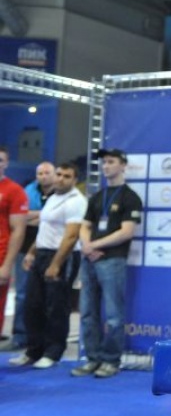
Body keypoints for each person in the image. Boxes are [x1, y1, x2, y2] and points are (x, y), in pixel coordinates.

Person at [71, 149, 143, 379]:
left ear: (123, 165)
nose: (106, 166)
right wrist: (86, 245)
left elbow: (126, 232)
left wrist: (95, 245)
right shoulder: (97, 197)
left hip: (113, 261)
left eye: (111, 162)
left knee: (113, 314)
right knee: (88, 313)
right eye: (103, 163)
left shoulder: (130, 197)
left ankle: (111, 360)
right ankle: (92, 358)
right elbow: (85, 225)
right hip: (89, 260)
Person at [8, 162, 87, 369]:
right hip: (42, 252)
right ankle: (33, 350)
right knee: (33, 305)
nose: (60, 179)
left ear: (74, 180)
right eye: (59, 174)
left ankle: (53, 352)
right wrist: (32, 252)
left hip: (63, 255)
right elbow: (45, 228)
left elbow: (71, 236)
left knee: (56, 307)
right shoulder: (53, 197)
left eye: (66, 176)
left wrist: (56, 264)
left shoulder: (76, 201)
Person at [0, 161, 55, 351]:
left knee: (48, 297)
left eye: (47, 173)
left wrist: (40, 216)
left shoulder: (61, 193)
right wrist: (43, 215)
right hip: (25, 250)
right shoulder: (29, 190)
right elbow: (25, 218)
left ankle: (45, 340)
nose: (43, 176)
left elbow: (52, 218)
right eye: (40, 173)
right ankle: (20, 335)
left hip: (51, 250)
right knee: (22, 294)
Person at [0, 146, 29, 339]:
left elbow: (19, 230)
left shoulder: (14, 191)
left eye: (0, 160)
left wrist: (7, 265)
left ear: (6, 163)